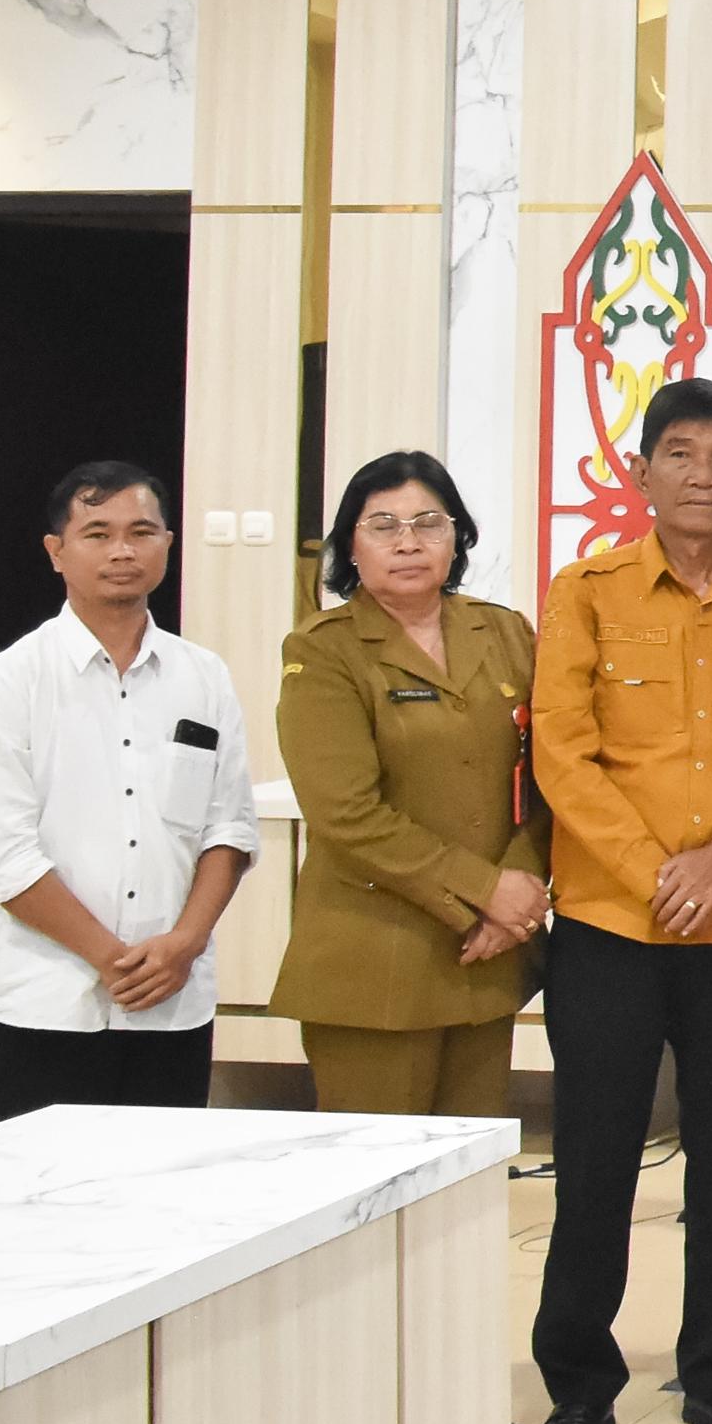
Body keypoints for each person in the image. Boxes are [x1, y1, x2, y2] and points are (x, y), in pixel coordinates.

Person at [522, 379, 712, 1424]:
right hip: (609, 922)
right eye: (677, 453)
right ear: (639, 471)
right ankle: (579, 1385)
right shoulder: (587, 592)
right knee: (594, 1161)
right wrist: (655, 871)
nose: (701, 474)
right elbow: (562, 752)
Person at [0, 460, 258, 1125]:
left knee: (163, 1206)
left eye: (142, 531)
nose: (122, 550)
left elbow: (228, 828)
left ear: (168, 544)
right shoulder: (10, 683)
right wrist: (110, 959)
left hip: (174, 1003)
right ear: (56, 552)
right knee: (39, 1211)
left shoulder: (203, 677)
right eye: (97, 533)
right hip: (46, 1001)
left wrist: (183, 944)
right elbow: (0, 854)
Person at [272, 453, 547, 1117]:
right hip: (376, 958)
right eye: (383, 525)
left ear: (457, 538)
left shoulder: (506, 632)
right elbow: (346, 812)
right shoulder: (323, 649)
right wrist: (487, 892)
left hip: (487, 954)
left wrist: (520, 887)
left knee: (467, 1187)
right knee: (374, 1184)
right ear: (352, 547)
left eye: (428, 522)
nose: (407, 541)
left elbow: (548, 774)